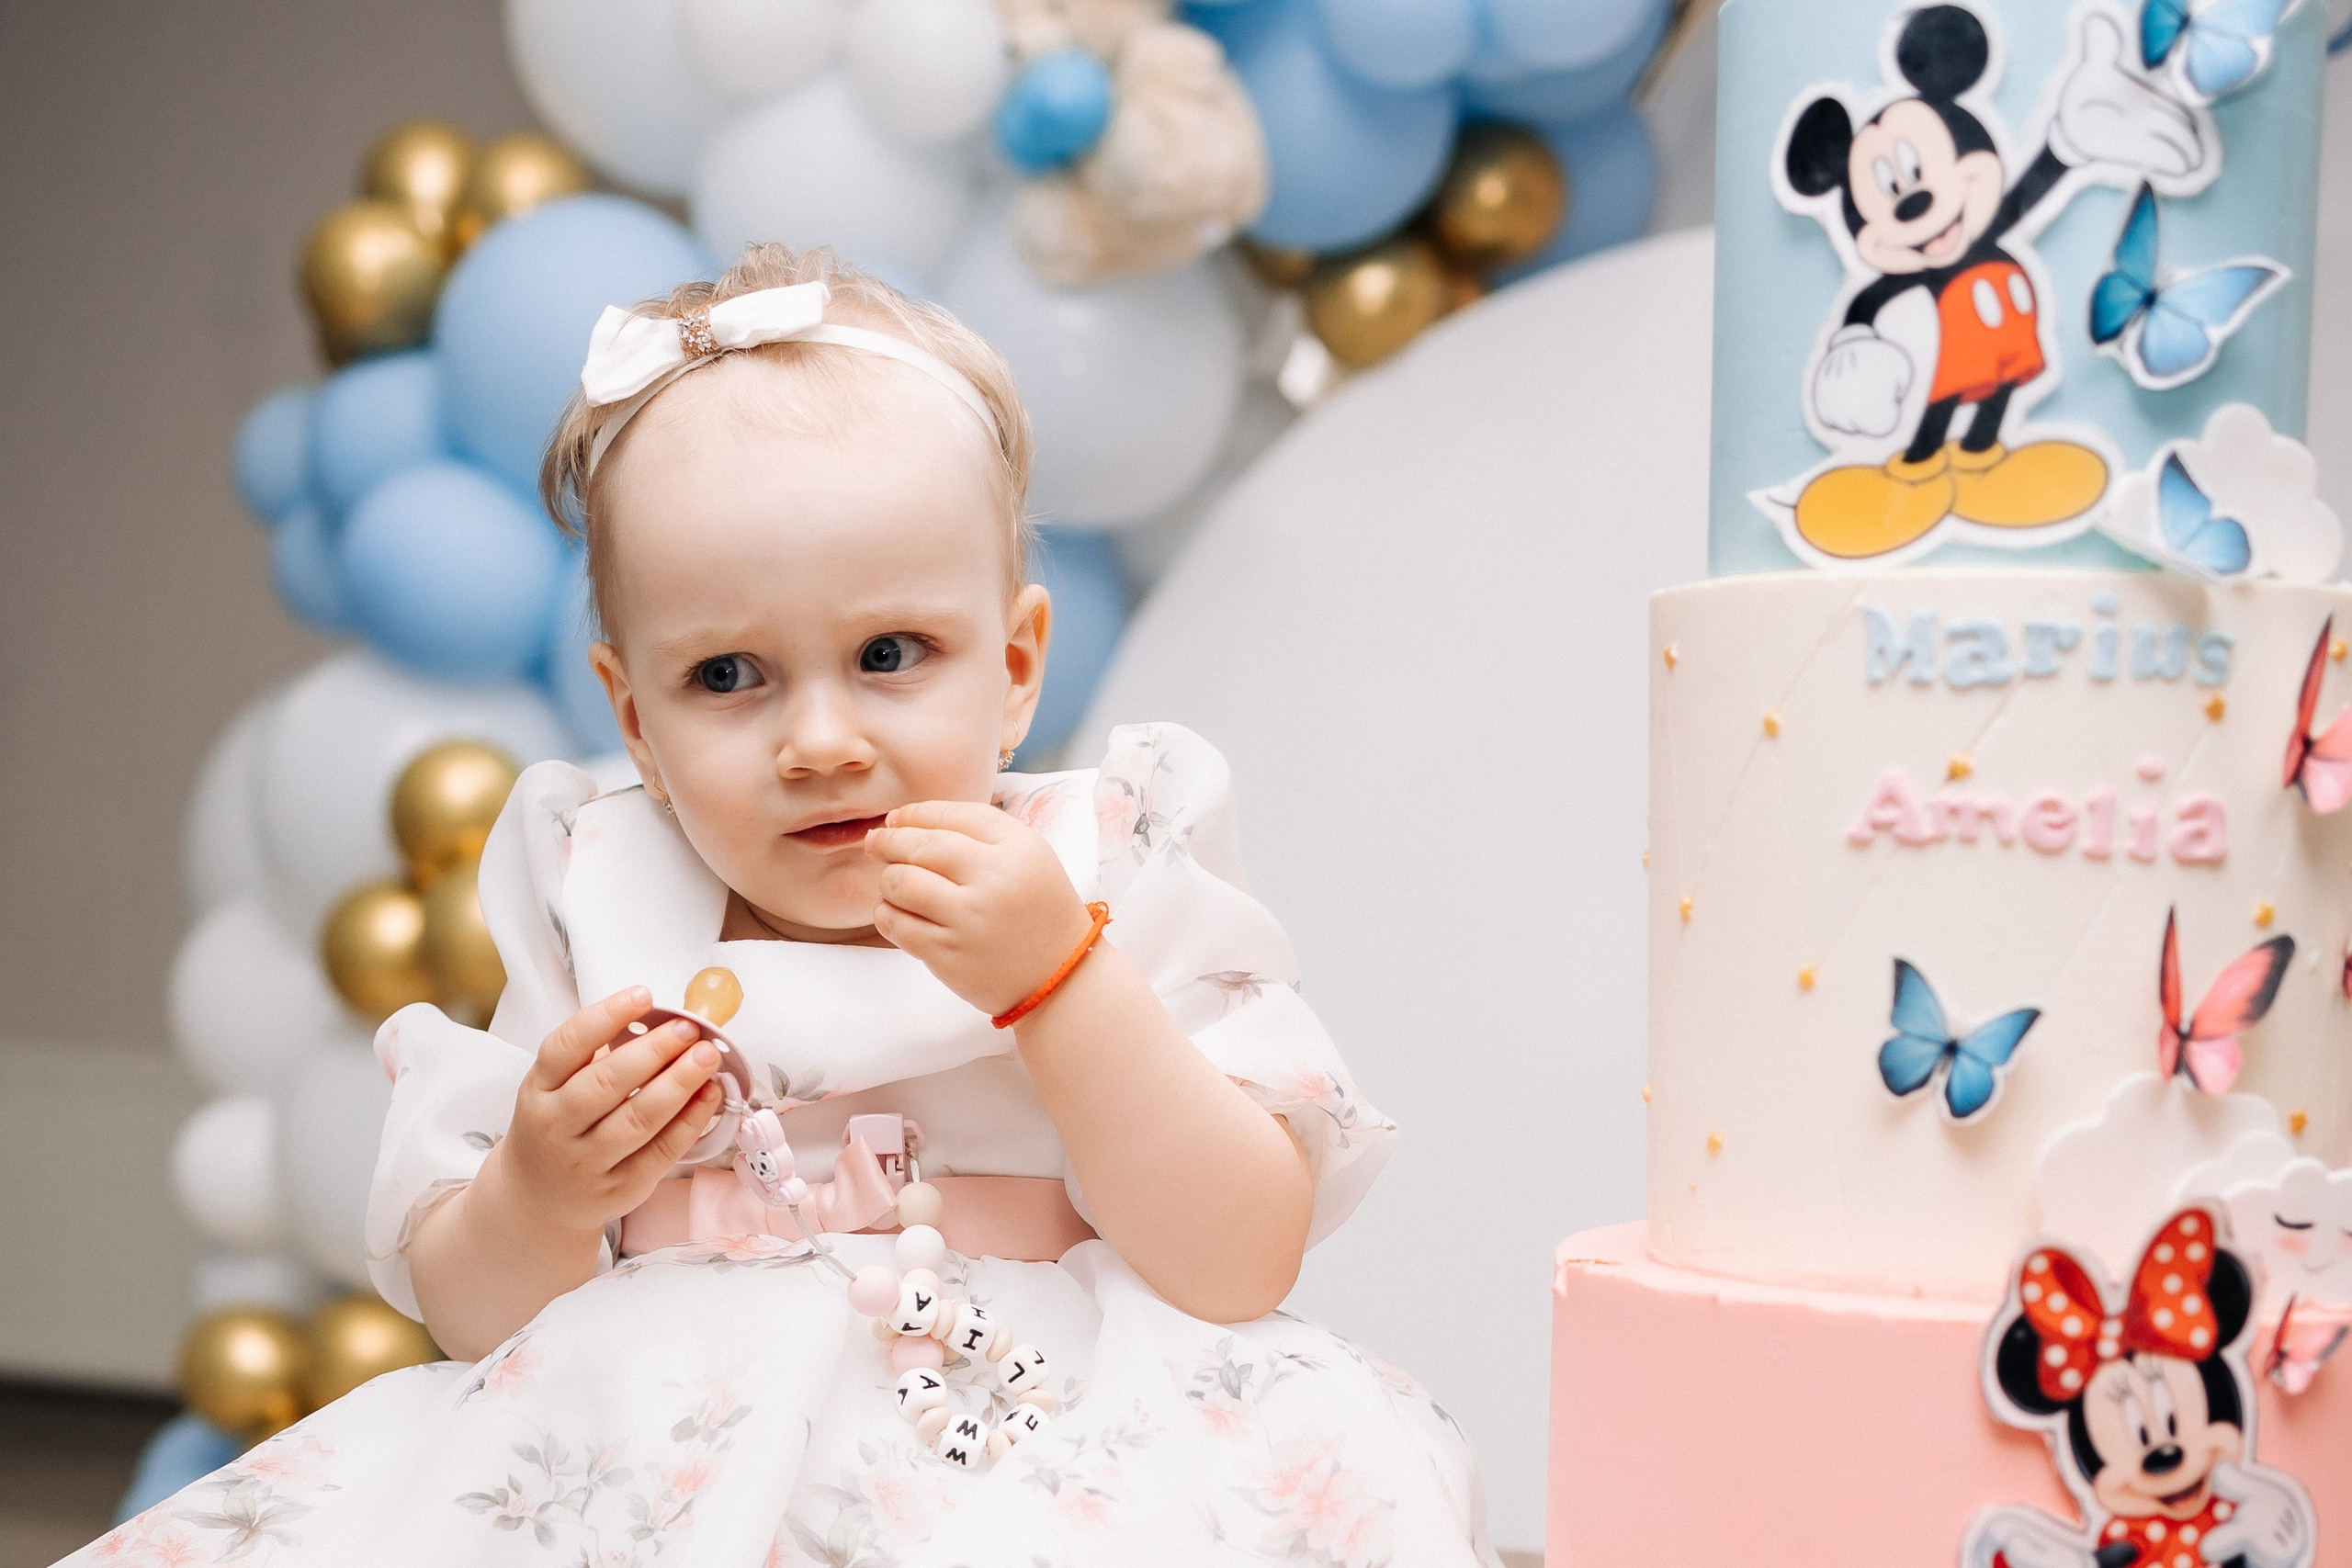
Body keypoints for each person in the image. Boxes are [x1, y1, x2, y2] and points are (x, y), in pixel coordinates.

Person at [74, 245, 1496, 1567]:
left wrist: (1063, 985)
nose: (820, 741)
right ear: (634, 717)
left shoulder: (1106, 859)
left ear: (1013, 669)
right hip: (658, 1432)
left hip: (1029, 1421)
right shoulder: (606, 890)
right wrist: (541, 1190)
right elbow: (475, 1320)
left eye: (891, 653)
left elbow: (1239, 1260)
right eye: (729, 678)